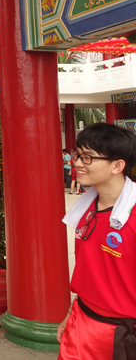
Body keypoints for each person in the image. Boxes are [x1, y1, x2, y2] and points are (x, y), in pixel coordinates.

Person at [57, 123, 136, 359]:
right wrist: (72, 312)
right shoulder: (87, 208)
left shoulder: (132, 216)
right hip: (82, 319)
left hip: (122, 335)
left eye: (88, 158)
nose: (78, 163)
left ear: (118, 165)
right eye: (78, 155)